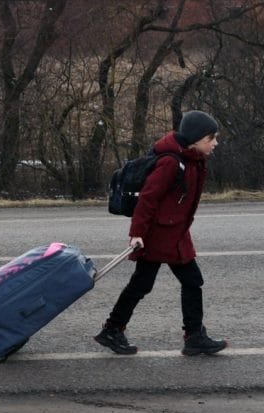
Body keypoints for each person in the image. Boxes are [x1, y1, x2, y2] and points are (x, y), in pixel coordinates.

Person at [94, 110, 228, 357]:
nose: (215, 143)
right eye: (211, 138)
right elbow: (148, 199)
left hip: (175, 233)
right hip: (157, 236)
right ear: (195, 139)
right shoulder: (171, 163)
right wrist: (137, 233)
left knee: (184, 282)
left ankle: (193, 336)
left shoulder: (192, 160)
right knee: (147, 284)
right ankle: (114, 330)